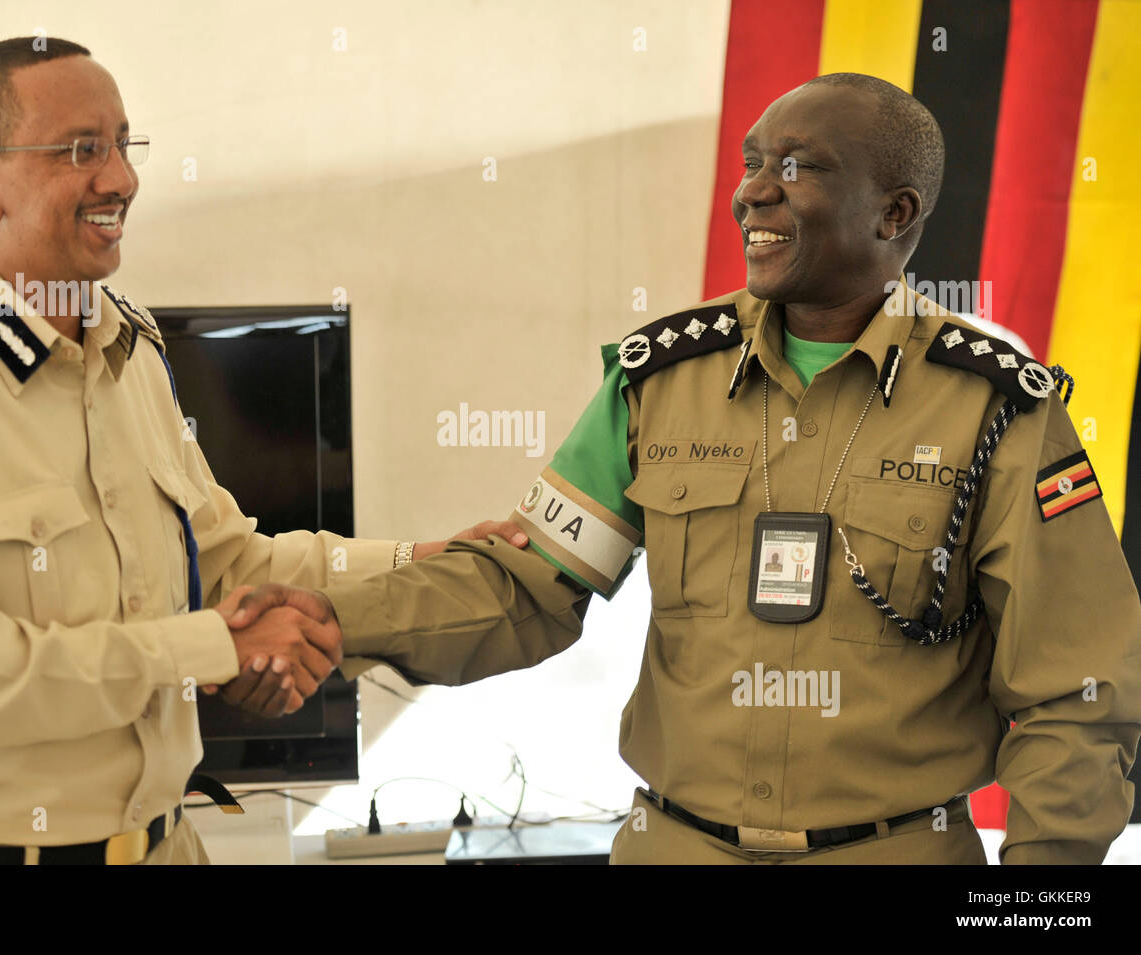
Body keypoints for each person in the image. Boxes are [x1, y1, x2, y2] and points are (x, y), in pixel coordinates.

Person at [229, 73, 1141, 864]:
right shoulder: (659, 378)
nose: (752, 194)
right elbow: (526, 588)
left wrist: (1039, 894)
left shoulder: (999, 407)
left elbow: (1079, 695)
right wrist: (332, 616)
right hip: (674, 844)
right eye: (750, 165)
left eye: (796, 168)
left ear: (895, 212)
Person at [0, 36, 521, 866]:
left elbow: (230, 562)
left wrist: (429, 559)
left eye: (125, 145)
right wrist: (211, 648)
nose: (121, 179)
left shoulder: (129, 349)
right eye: (81, 150)